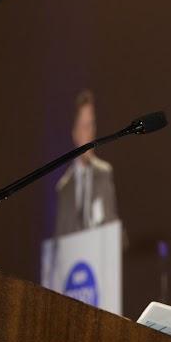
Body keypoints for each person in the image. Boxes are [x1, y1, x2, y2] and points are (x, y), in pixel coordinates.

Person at [53, 89, 120, 236]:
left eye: (91, 125)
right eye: (83, 126)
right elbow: (60, 237)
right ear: (74, 132)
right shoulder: (64, 188)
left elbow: (112, 222)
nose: (89, 132)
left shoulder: (104, 173)